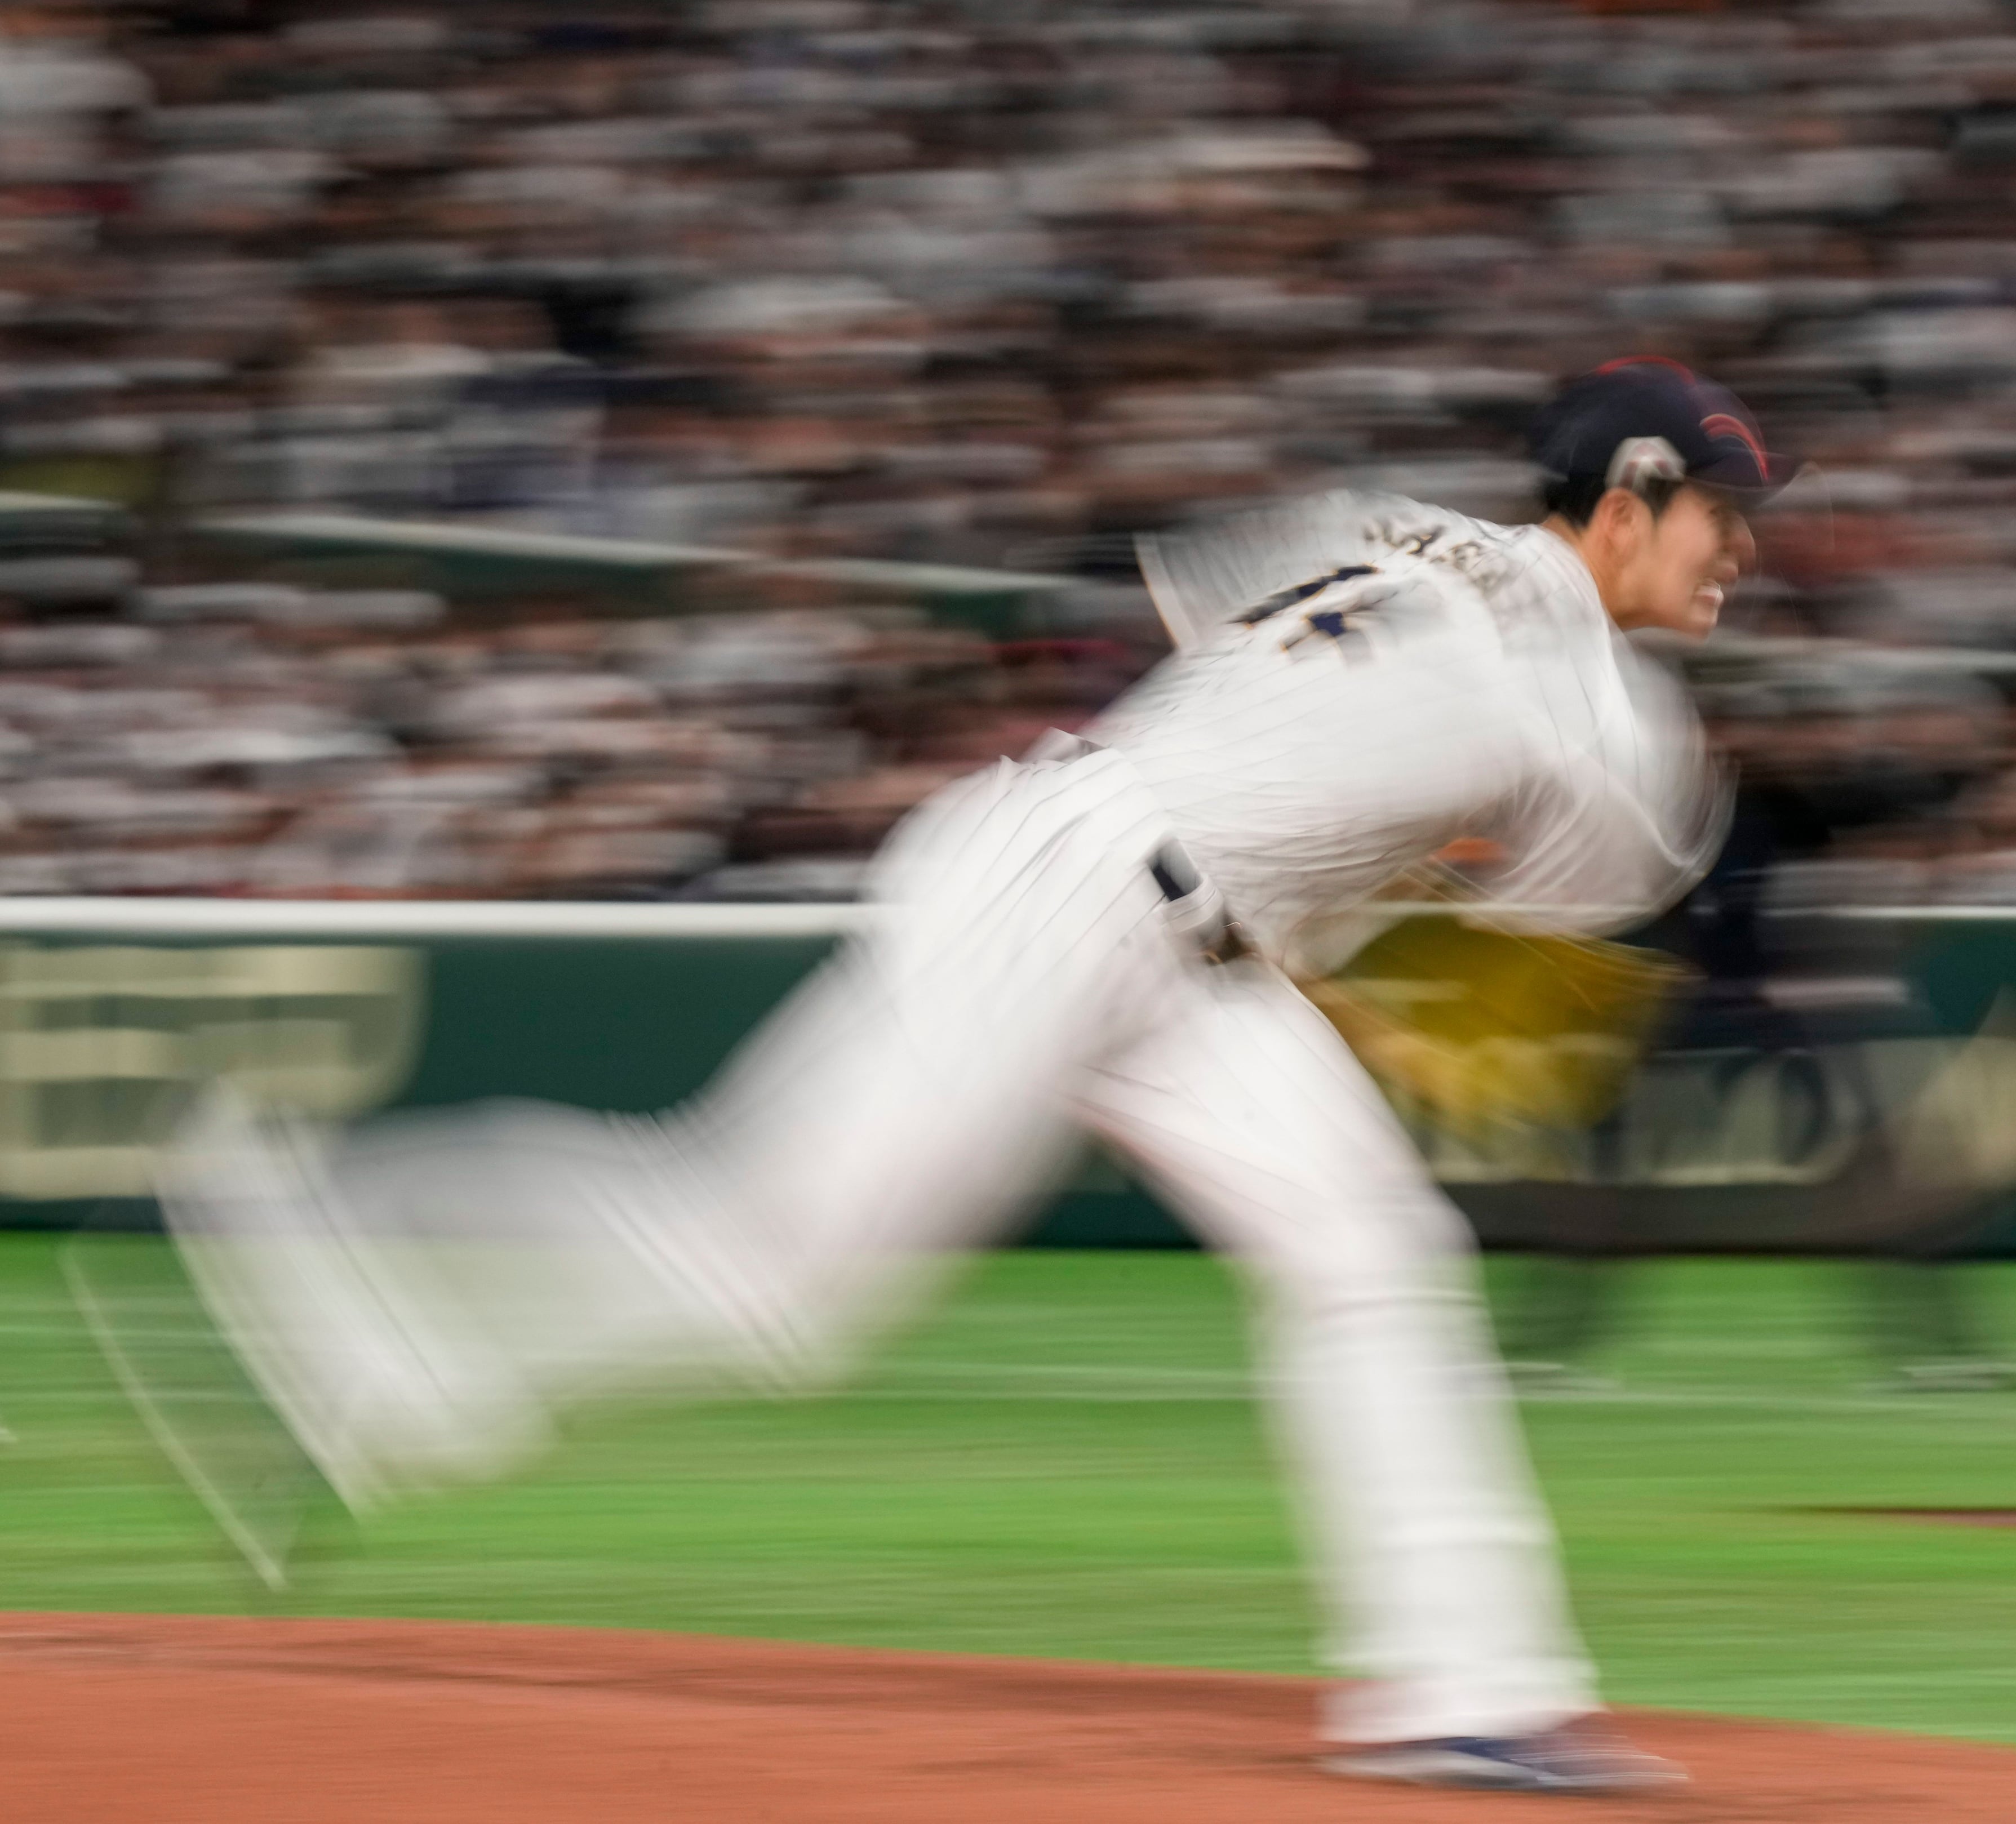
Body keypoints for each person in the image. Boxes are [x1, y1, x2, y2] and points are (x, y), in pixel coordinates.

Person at [122, 359, 1784, 1795]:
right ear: (1628, 502)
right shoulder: (1611, 724)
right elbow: (1522, 918)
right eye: (1720, 508)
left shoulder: (1388, 520)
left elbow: (1204, 608)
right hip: (1069, 893)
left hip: (1179, 940)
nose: (1744, 546)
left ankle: (1468, 1699)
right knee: (768, 1274)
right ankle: (324, 1240)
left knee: (1375, 1254)